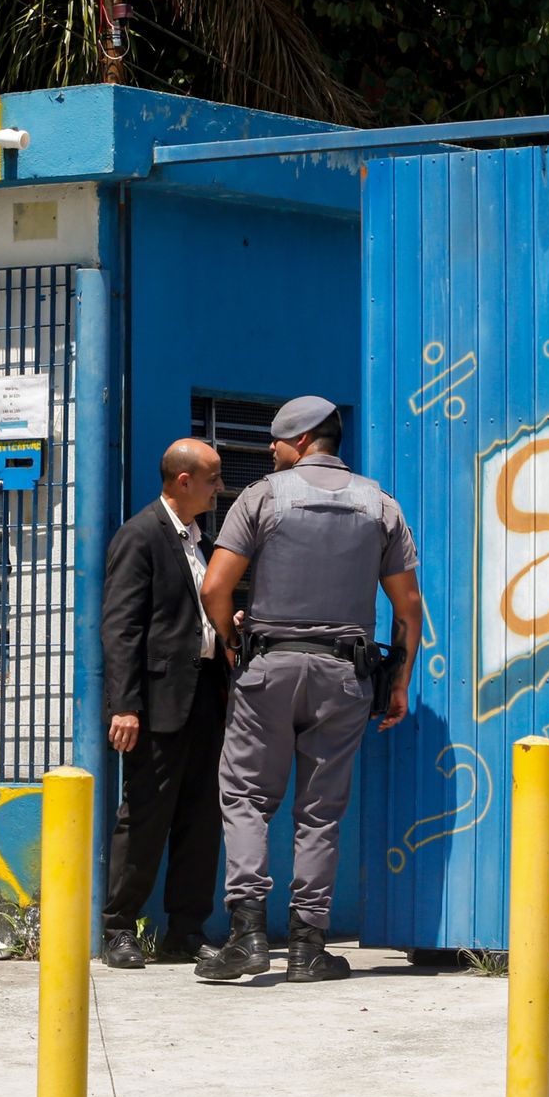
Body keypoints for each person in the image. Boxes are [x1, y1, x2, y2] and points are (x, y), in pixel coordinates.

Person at [194, 396, 421, 984]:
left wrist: (230, 640)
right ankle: (306, 947)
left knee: (245, 797)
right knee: (319, 814)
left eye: (276, 440)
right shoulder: (380, 505)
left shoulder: (264, 496)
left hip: (268, 667)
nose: (269, 449)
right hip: (345, 676)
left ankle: (246, 936)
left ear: (301, 440)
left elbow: (216, 586)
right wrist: (399, 682)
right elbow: (407, 605)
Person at [99, 438, 230, 968]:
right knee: (146, 815)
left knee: (202, 816)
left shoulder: (201, 539)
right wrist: (125, 706)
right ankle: (119, 929)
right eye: (214, 478)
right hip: (156, 703)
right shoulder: (140, 536)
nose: (221, 487)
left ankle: (186, 929)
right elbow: (121, 626)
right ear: (184, 481)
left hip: (204, 695)